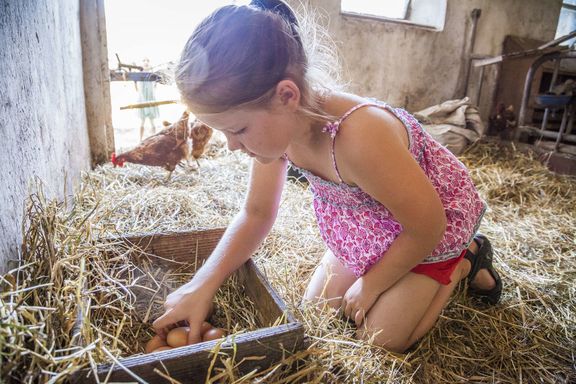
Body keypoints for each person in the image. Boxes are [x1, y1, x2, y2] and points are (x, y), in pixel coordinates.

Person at [152, 0, 503, 353]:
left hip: (426, 226)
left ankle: (464, 260)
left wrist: (372, 284)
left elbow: (428, 225)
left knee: (380, 340)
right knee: (315, 313)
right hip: (368, 225)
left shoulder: (360, 136)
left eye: (238, 129)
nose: (231, 146)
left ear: (286, 95)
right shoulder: (276, 131)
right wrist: (201, 285)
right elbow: (257, 213)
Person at [135, 58, 160, 140]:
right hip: (142, 99)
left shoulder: (152, 74)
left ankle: (155, 139)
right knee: (142, 121)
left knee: (152, 121)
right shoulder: (140, 74)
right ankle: (140, 139)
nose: (146, 62)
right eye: (144, 60)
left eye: (148, 61)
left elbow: (156, 84)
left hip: (150, 99)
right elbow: (137, 89)